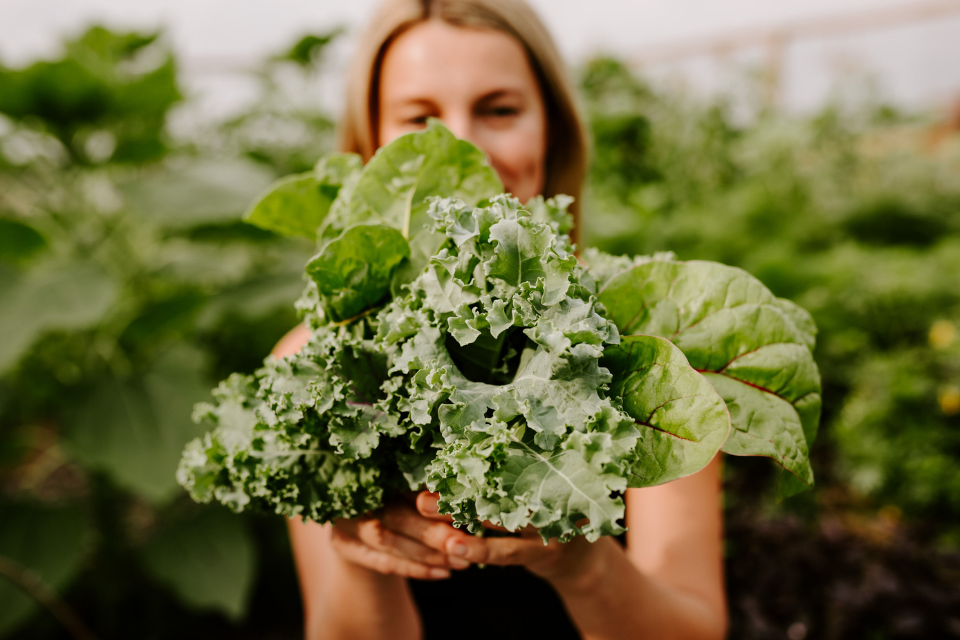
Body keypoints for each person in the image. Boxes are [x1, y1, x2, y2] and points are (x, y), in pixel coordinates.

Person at [273, 1, 727, 638]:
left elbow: (697, 627)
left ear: (553, 132)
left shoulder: (641, 338)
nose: (465, 149)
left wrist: (584, 566)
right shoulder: (319, 367)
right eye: (419, 118)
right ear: (370, 144)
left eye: (499, 109)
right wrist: (361, 540)